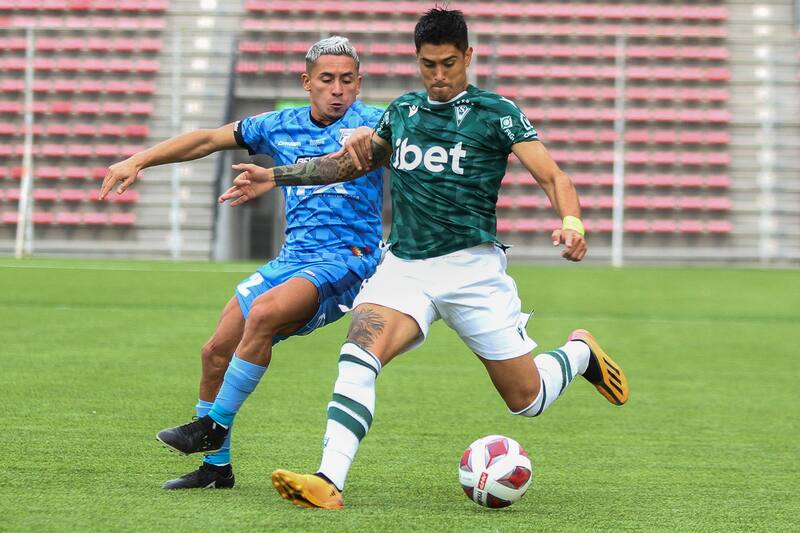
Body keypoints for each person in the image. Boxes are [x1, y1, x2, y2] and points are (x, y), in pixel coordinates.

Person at [220, 8, 630, 510]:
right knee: (358, 353)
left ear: (469, 58)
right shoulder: (403, 112)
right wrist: (274, 176)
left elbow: (553, 176)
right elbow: (349, 163)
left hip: (474, 271)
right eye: (428, 64)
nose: (438, 76)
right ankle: (329, 479)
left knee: (527, 401)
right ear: (417, 60)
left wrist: (571, 222)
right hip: (406, 266)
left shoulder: (497, 113)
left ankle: (581, 352)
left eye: (449, 64)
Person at [99, 36, 386, 490]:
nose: (338, 90)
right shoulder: (279, 124)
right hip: (292, 258)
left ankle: (212, 425)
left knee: (266, 314)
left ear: (359, 84)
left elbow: (382, 140)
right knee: (215, 349)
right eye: (327, 80)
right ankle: (216, 467)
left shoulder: (373, 123)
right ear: (306, 81)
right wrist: (140, 159)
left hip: (348, 261)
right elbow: (209, 140)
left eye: (347, 81)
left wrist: (371, 136)